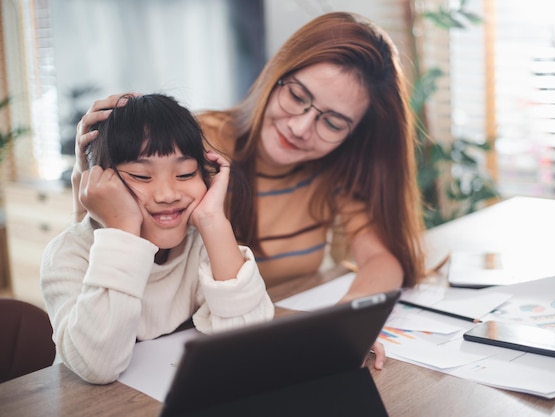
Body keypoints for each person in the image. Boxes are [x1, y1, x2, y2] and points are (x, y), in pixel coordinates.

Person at [71, 12, 427, 369]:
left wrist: (345, 323)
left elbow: (381, 259)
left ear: (354, 134)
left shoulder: (335, 169)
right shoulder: (196, 147)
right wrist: (90, 168)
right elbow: (102, 246)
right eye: (297, 96)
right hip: (167, 350)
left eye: (333, 122)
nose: (302, 127)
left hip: (253, 334)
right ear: (275, 74)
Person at [42, 94, 274, 384]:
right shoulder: (68, 255)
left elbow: (250, 339)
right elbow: (97, 366)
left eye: (186, 172)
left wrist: (213, 220)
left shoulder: (198, 244)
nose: (167, 195)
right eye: (141, 175)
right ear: (96, 186)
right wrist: (123, 228)